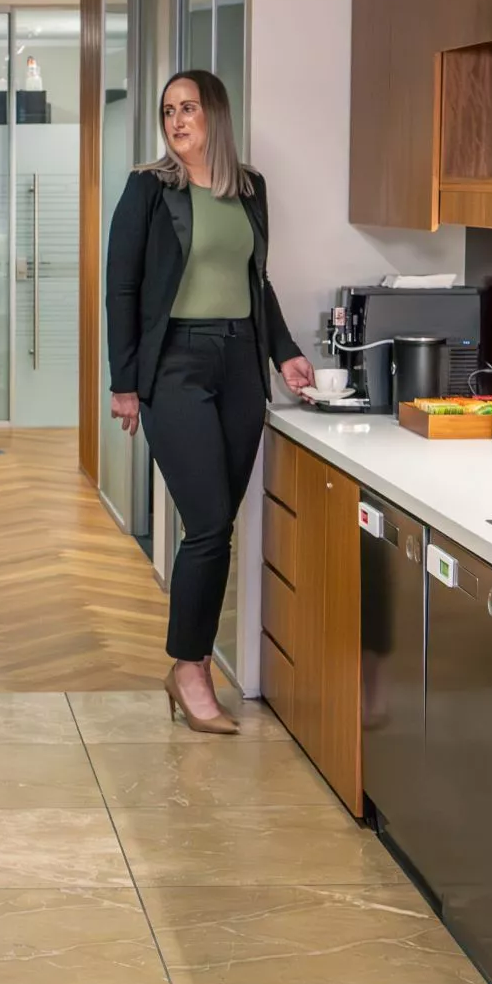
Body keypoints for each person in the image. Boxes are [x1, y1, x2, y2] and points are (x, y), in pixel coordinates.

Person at [104, 69, 314, 735]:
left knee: (217, 526)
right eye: (168, 110)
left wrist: (283, 350)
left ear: (215, 114)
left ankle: (188, 664)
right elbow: (123, 290)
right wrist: (124, 381)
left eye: (187, 108)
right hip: (176, 367)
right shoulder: (147, 188)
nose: (176, 120)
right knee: (206, 523)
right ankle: (189, 667)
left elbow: (257, 280)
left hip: (240, 366)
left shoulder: (248, 189)